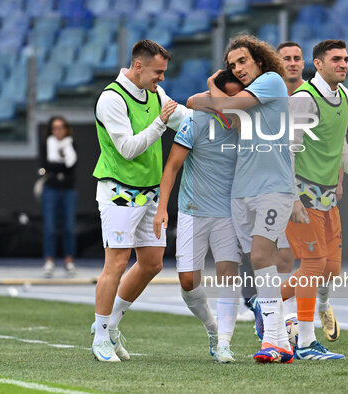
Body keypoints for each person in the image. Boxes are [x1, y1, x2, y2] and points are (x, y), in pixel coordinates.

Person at [193, 34, 296, 363]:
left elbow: (218, 103)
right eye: (231, 65)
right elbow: (195, 102)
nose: (237, 68)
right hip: (241, 192)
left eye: (243, 61)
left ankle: (276, 339)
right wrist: (217, 93)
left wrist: (214, 83)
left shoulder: (272, 81)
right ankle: (277, 341)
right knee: (259, 264)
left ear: (261, 62)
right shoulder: (244, 103)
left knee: (265, 257)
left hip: (273, 189)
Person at [91, 40, 189, 362]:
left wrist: (220, 117)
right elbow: (129, 149)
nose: (161, 79)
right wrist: (161, 122)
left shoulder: (155, 94)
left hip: (149, 193)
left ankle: (112, 324)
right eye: (157, 72)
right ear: (138, 66)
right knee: (116, 264)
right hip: (118, 192)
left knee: (151, 263)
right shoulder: (111, 99)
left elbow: (185, 120)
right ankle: (100, 336)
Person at [153, 70, 244, 363]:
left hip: (228, 213)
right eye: (225, 94)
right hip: (193, 210)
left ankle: (226, 344)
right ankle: (212, 328)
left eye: (237, 95)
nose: (232, 100)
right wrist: (161, 207)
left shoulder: (249, 123)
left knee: (228, 276)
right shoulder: (195, 119)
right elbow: (172, 168)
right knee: (188, 281)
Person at [276, 40, 348, 343]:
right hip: (302, 193)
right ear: (319, 64)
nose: (343, 64)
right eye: (336, 59)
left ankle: (269, 304)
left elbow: (339, 140)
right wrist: (293, 197)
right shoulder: (303, 98)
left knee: (331, 269)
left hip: (327, 196)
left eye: (346, 59)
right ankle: (305, 338)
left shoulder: (345, 95)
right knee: (312, 265)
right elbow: (286, 150)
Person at [40, 116, 78, 277]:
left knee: (69, 227)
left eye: (61, 127)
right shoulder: (46, 144)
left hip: (68, 190)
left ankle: (69, 260)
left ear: (66, 129)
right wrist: (59, 168)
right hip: (51, 190)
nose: (58, 131)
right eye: (55, 128)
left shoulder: (71, 143)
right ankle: (49, 260)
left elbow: (72, 166)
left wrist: (55, 168)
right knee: (50, 227)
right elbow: (45, 165)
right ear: (51, 130)